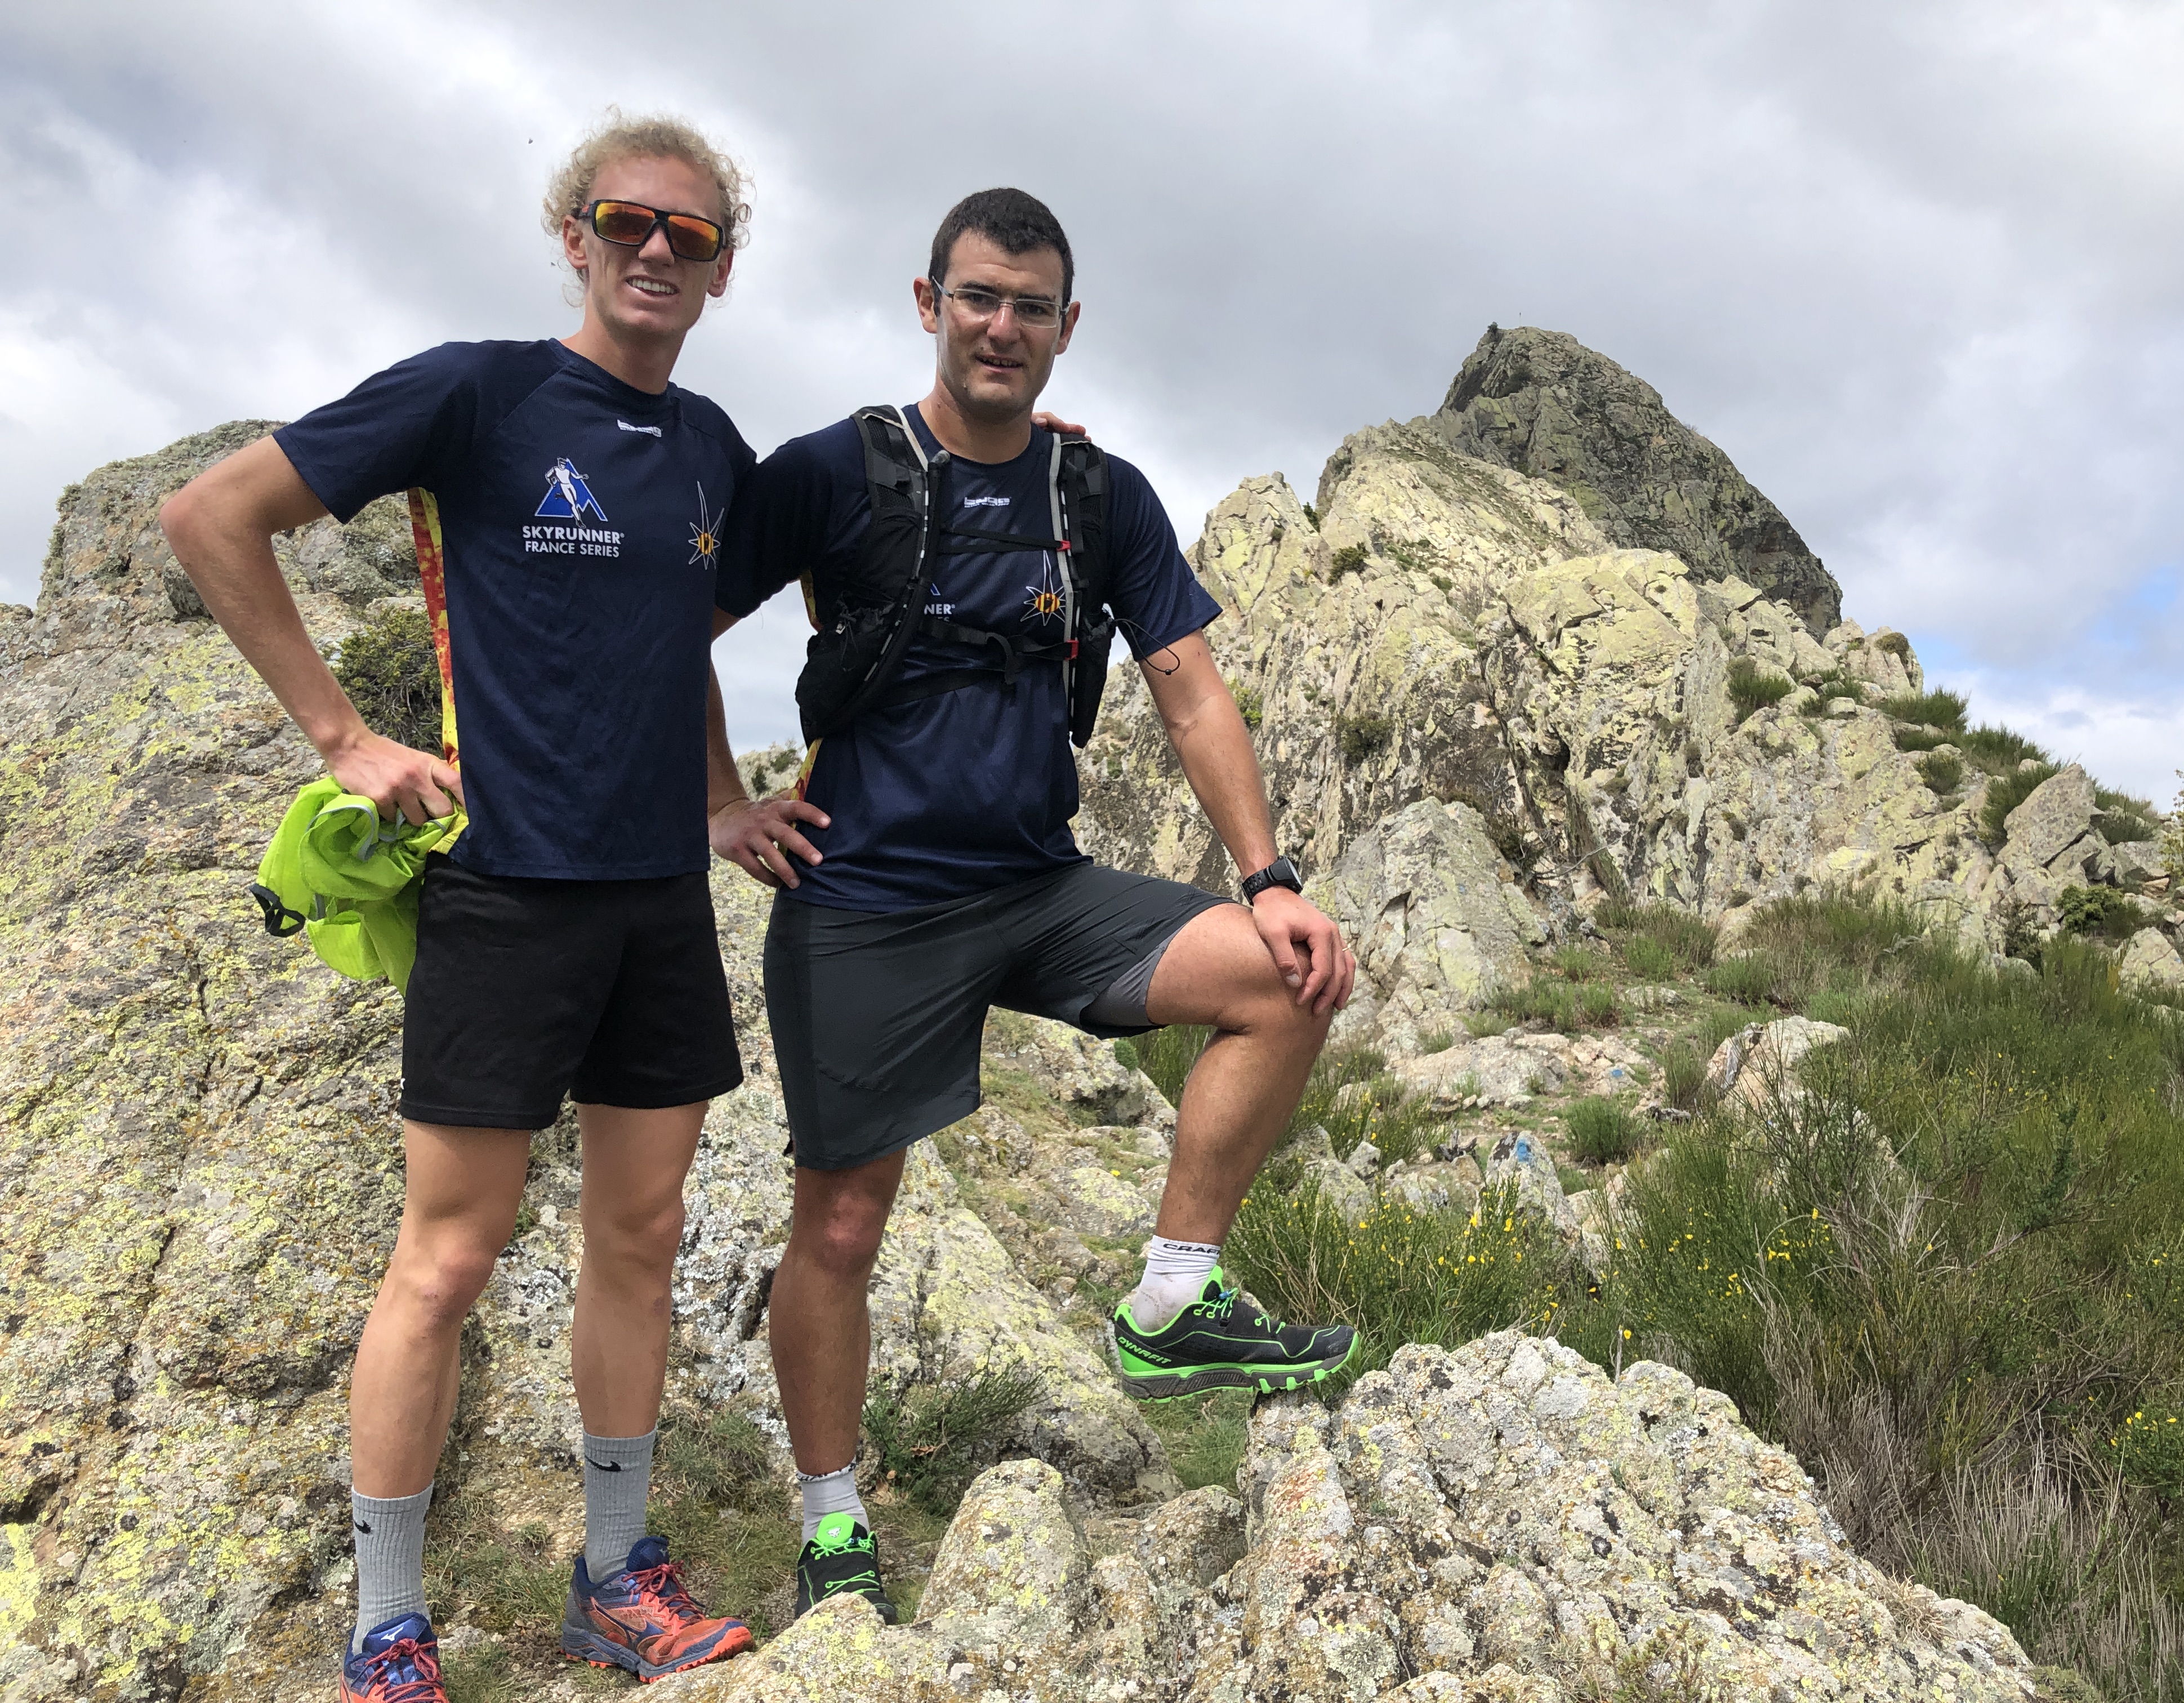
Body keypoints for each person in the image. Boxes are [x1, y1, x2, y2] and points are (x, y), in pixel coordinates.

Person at [162, 116, 770, 1698]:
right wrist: (342, 739)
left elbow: (682, 634)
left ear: (722, 268)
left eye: (691, 233)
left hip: (657, 902)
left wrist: (721, 801)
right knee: (447, 1257)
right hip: (504, 890)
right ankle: (387, 1623)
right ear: (574, 236)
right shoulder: (478, 395)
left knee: (641, 1235)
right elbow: (212, 516)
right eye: (627, 221)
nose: (657, 249)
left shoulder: (711, 447)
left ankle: (614, 1578)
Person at [707, 188, 1360, 1622]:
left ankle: (1172, 1301)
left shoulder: (1099, 497)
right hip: (866, 901)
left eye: (1031, 307)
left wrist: (1270, 879)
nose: (1002, 327)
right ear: (927, 304)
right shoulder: (831, 472)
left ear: (1069, 327)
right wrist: (719, 806)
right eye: (978, 298)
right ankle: (833, 1518)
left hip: (1037, 888)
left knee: (1288, 975)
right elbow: (675, 624)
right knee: (842, 1227)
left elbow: (1191, 693)